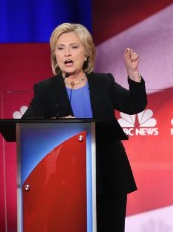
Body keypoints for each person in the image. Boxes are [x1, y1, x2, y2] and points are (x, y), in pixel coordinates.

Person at [22, 23, 147, 231]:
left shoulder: (103, 83)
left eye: (74, 47)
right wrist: (59, 123)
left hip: (108, 175)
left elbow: (134, 105)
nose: (67, 53)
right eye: (60, 48)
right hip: (66, 180)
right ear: (55, 55)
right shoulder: (46, 90)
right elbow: (26, 126)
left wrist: (133, 74)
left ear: (87, 53)